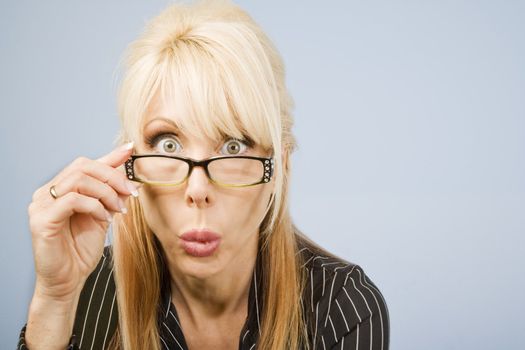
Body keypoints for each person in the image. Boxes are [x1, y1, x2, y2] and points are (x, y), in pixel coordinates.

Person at [18, 1, 389, 349]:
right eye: (168, 145)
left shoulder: (341, 305)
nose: (197, 189)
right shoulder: (88, 289)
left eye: (233, 146)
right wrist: (54, 300)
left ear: (280, 167)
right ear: (130, 164)